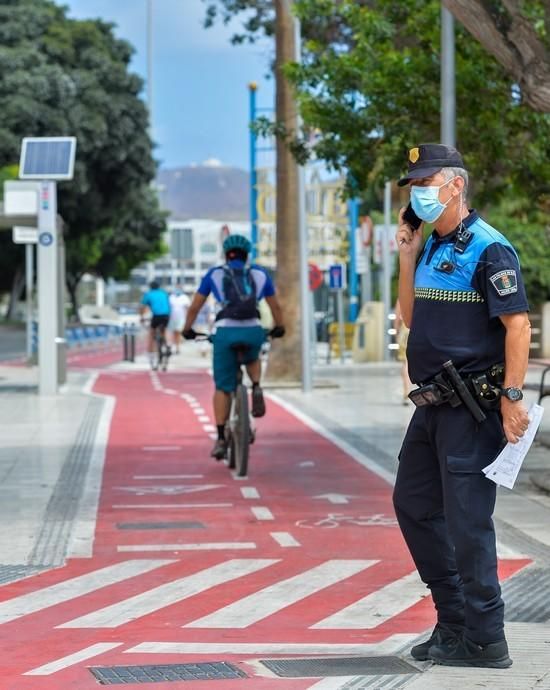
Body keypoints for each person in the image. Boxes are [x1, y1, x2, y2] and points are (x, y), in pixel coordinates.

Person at [393, 143, 531, 669]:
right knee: (412, 504)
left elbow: (517, 325)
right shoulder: (430, 246)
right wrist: (407, 254)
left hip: (472, 409)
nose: (419, 194)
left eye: (427, 185)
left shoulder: (490, 248)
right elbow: (411, 317)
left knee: (469, 524)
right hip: (431, 406)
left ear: (456, 185)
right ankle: (453, 622)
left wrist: (512, 398)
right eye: (415, 187)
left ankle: (486, 638)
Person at [182, 234, 285, 459]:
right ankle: (256, 385)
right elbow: (275, 306)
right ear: (247, 254)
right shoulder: (259, 274)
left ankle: (220, 438)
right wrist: (280, 327)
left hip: (225, 332)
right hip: (253, 329)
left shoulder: (215, 274)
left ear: (226, 255)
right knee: (253, 352)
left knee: (222, 387)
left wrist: (187, 329)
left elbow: (195, 307)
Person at [139, 280, 171, 369]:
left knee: (152, 332)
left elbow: (142, 307)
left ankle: (151, 351)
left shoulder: (148, 294)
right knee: (163, 330)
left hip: (156, 316)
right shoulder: (164, 293)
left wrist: (141, 317)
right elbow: (168, 305)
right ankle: (166, 345)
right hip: (166, 315)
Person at [394, 299, 411, 405]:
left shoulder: (404, 295)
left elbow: (397, 317)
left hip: (405, 331)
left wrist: (396, 332)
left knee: (405, 363)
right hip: (418, 330)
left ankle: (407, 392)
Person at [168, 283, 190, 354]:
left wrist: (188, 319)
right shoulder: (171, 297)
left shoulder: (185, 297)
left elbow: (187, 308)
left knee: (178, 333)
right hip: (171, 318)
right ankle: (170, 347)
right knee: (172, 333)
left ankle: (177, 348)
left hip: (181, 318)